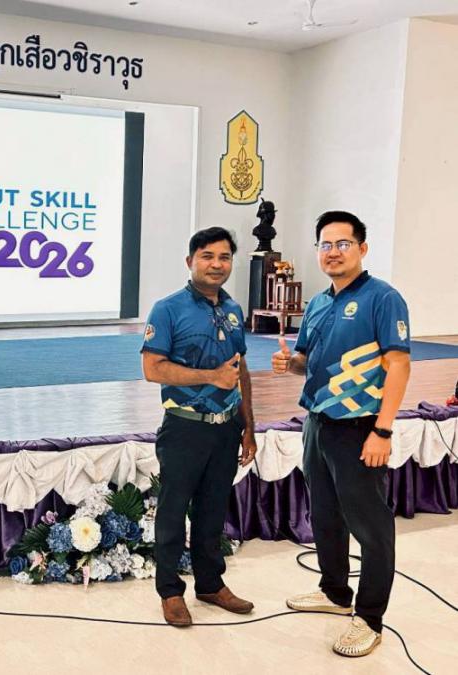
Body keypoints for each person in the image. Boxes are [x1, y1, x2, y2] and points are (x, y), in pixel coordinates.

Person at [272, 211, 411, 658]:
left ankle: (369, 618)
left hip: (360, 429)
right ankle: (334, 592)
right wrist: (289, 364)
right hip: (317, 424)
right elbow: (305, 362)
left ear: (362, 248)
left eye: (343, 244)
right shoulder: (317, 303)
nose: (333, 252)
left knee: (371, 527)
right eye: (325, 245)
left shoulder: (383, 299)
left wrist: (382, 430)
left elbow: (399, 366)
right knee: (325, 515)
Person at [141, 226, 257, 628]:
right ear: (190, 261)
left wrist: (249, 427)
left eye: (224, 257)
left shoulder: (234, 310)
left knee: (212, 510)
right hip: (184, 428)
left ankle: (210, 584)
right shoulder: (167, 309)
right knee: (173, 512)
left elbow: (240, 371)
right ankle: (170, 591)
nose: (216, 264)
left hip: (226, 428)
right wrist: (211, 377)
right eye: (207, 256)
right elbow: (152, 369)